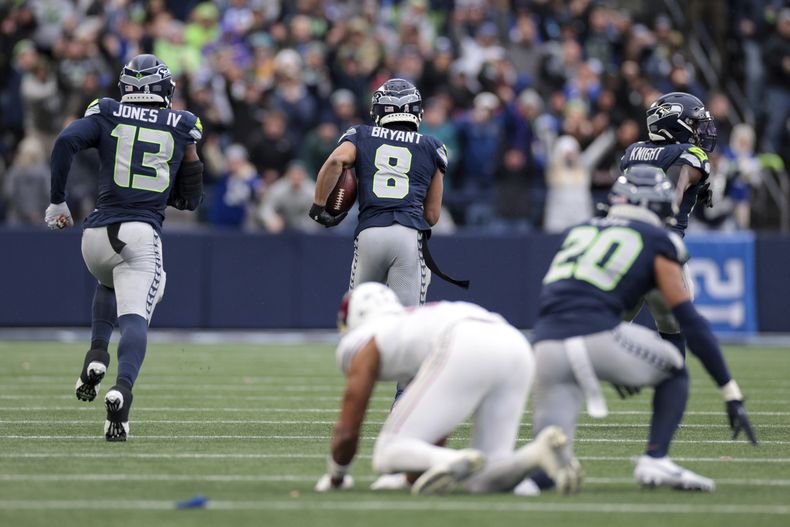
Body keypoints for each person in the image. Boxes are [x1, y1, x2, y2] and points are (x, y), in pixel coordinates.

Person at [530, 166, 757, 492]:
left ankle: (499, 478)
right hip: (596, 337)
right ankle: (656, 459)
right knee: (675, 367)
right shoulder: (656, 239)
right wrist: (730, 391)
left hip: (546, 344)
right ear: (653, 204)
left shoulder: (580, 230)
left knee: (546, 469)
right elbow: (689, 320)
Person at [45, 54, 204, 441]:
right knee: (137, 314)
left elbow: (66, 140)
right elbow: (191, 196)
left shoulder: (107, 111)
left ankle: (96, 355)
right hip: (140, 232)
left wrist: (57, 200)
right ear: (164, 88)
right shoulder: (183, 123)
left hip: (96, 235)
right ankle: (123, 392)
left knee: (110, 282)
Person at [314, 282, 582, 496]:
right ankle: (536, 453)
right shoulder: (413, 322)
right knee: (486, 479)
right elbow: (436, 420)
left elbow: (349, 427)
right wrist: (411, 479)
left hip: (465, 339)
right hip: (513, 342)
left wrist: (336, 477)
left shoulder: (368, 337)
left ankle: (450, 460)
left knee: (388, 451)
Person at [309, 78, 447, 307]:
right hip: (408, 234)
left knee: (358, 316)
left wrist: (319, 205)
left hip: (370, 231)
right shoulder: (433, 146)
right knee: (407, 322)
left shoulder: (361, 134)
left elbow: (336, 161)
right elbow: (432, 216)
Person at [619, 91, 717, 357]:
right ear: (675, 122)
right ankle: (674, 388)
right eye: (695, 123)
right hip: (661, 250)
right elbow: (669, 197)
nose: (701, 130)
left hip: (625, 249)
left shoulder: (633, 152)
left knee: (608, 328)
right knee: (675, 326)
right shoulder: (689, 154)